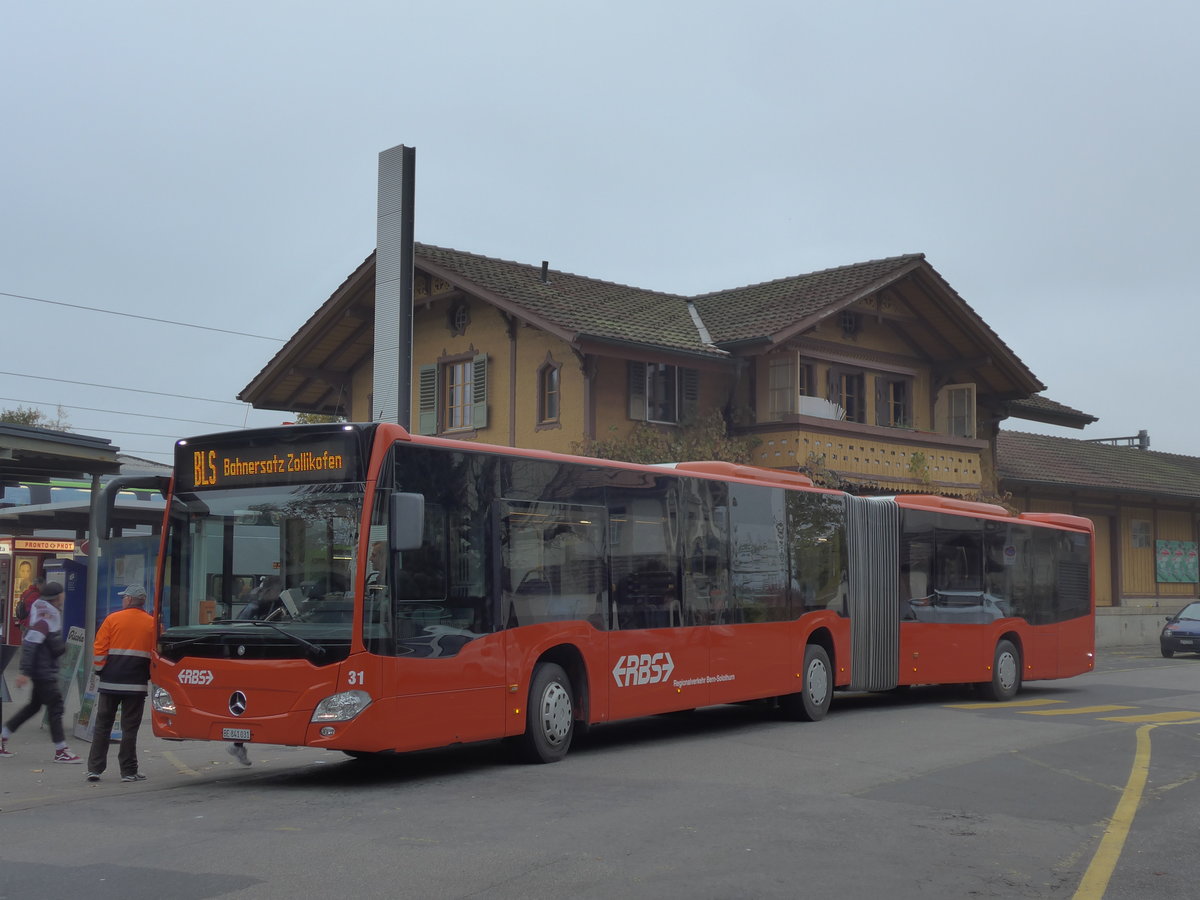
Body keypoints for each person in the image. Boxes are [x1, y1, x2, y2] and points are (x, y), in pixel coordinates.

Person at [0, 582, 82, 763]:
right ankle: (61, 750)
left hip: (42, 669)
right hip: (43, 671)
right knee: (56, 707)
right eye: (62, 594)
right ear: (57, 597)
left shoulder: (45, 613)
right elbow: (30, 644)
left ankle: (3, 735)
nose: (64, 597)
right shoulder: (46, 618)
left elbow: (47, 643)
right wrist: (24, 672)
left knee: (34, 707)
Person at [85, 584, 156, 782]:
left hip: (110, 683)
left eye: (124, 597)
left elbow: (99, 648)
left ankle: (95, 769)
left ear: (129, 600)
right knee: (130, 728)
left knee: (103, 725)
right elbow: (156, 654)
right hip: (136, 685)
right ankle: (128, 771)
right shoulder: (153, 624)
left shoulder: (112, 619)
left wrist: (100, 670)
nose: (123, 600)